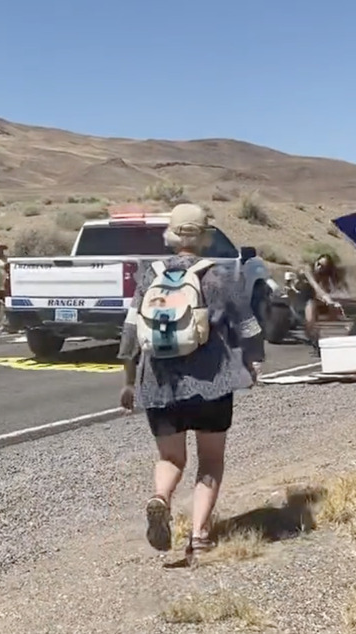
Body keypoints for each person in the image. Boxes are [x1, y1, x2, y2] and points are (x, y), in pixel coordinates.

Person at [117, 203, 264, 560]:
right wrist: (253, 362)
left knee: (170, 457)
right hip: (211, 384)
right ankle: (199, 535)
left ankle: (161, 497)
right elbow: (249, 328)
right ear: (205, 236)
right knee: (210, 460)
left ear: (170, 234)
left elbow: (130, 335)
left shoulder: (148, 276)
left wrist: (129, 382)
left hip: (158, 383)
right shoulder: (219, 276)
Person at [294, 253, 348, 354]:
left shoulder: (323, 276)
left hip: (309, 298)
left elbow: (324, 290)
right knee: (310, 319)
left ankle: (318, 342)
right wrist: (328, 300)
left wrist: (331, 303)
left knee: (311, 319)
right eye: (318, 263)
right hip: (297, 297)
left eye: (323, 266)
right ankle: (315, 339)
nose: (319, 267)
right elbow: (315, 286)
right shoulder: (307, 268)